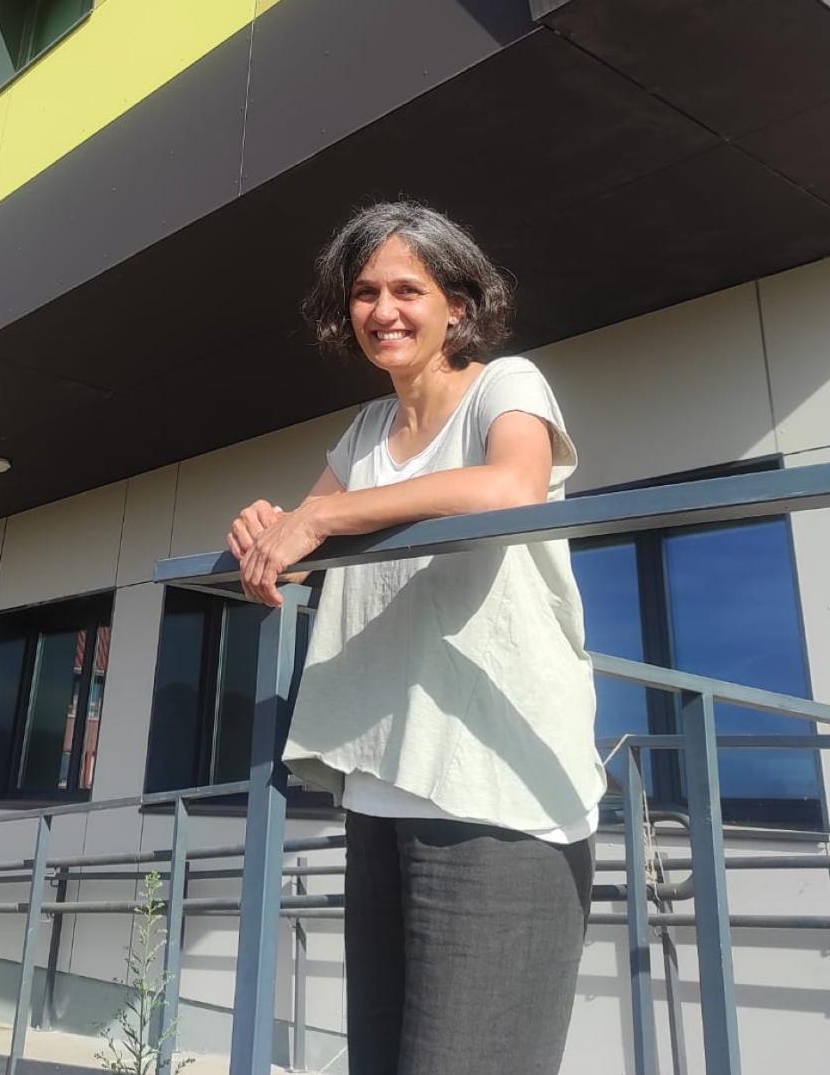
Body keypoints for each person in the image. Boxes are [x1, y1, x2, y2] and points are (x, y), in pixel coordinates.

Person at [225, 201, 604, 1075]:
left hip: (497, 788)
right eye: (364, 292)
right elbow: (305, 544)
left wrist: (319, 514)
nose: (383, 310)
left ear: (458, 306)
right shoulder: (364, 434)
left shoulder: (506, 385)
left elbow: (512, 484)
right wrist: (264, 529)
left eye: (408, 288)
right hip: (387, 781)